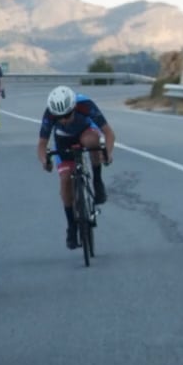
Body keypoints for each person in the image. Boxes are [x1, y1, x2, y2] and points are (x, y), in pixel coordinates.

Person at [36, 86, 113, 250]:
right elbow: (42, 144)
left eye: (67, 115)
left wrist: (107, 154)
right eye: (60, 117)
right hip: (63, 140)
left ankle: (97, 181)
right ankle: (71, 225)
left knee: (92, 143)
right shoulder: (49, 113)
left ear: (73, 107)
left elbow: (109, 133)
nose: (63, 120)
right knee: (65, 180)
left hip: (86, 131)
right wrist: (45, 161)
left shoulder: (85, 104)